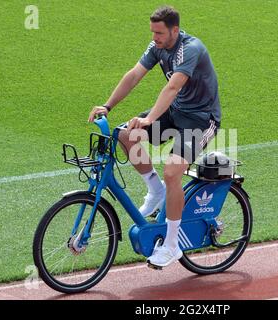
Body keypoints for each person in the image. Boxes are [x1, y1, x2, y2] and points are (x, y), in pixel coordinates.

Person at [88, 5, 221, 268]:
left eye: (159, 33)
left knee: (173, 172)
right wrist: (108, 105)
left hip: (201, 119)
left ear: (174, 30)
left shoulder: (190, 49)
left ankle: (172, 245)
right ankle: (155, 189)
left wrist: (149, 119)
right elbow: (134, 75)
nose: (154, 38)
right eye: (152, 32)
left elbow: (172, 87)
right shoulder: (157, 47)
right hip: (176, 111)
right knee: (126, 135)